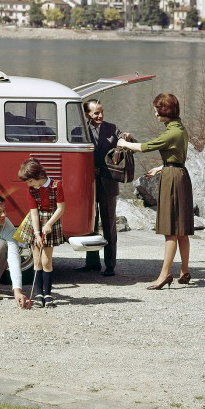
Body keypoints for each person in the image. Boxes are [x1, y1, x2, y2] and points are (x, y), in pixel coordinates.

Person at [118, 93, 193, 290]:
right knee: (182, 231)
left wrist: (124, 144)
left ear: (164, 111)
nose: (154, 113)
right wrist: (161, 168)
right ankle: (184, 271)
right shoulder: (179, 128)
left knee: (170, 231)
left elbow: (145, 147)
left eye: (156, 109)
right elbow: (177, 155)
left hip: (173, 179)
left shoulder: (171, 133)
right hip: (178, 173)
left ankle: (164, 275)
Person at [79, 99, 132, 277]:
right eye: (95, 113)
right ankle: (92, 262)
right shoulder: (78, 131)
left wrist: (127, 138)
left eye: (101, 112)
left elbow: (125, 144)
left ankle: (110, 265)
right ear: (87, 114)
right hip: (88, 184)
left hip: (108, 183)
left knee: (109, 225)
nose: (100, 115)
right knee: (90, 224)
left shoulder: (112, 128)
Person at [17, 158, 65, 308]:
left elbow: (61, 208)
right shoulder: (32, 189)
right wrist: (37, 233)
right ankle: (38, 295)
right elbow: (34, 212)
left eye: (30, 181)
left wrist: (49, 224)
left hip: (50, 223)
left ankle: (48, 294)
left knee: (46, 261)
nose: (29, 185)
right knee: (36, 260)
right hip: (35, 224)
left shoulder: (56, 186)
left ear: (38, 177)